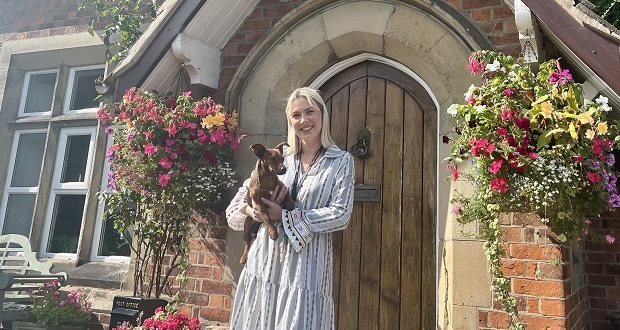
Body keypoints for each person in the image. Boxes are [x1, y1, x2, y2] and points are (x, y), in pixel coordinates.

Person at [225, 87, 355, 329]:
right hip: (265, 258)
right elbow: (235, 207)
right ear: (290, 121)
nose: (304, 120)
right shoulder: (277, 159)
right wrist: (255, 211)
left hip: (307, 264)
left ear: (322, 116)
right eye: (296, 115)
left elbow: (341, 214)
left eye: (310, 112)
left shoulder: (340, 161)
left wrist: (285, 216)